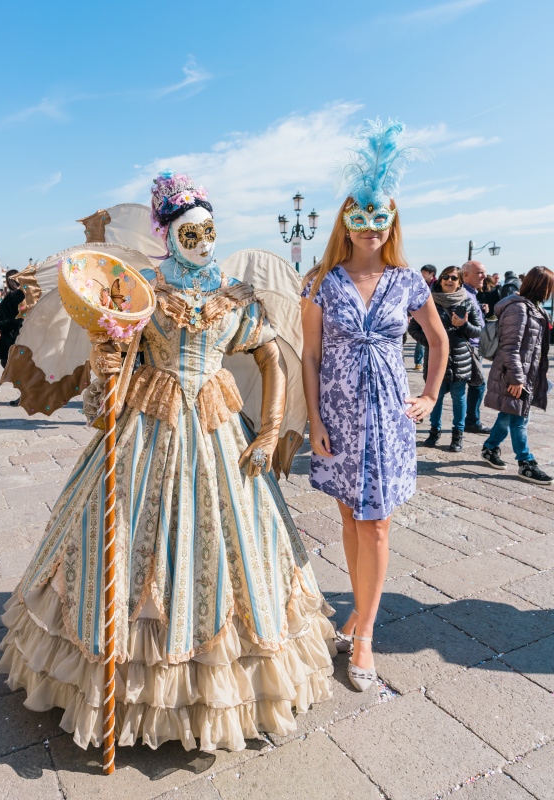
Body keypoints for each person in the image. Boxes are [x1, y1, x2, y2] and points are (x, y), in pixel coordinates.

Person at [0, 171, 336, 751]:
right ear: (170, 235)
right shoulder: (142, 291)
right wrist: (106, 354)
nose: (201, 242)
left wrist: (271, 427)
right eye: (189, 232)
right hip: (147, 424)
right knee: (130, 537)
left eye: (208, 230)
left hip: (219, 424)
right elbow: (111, 376)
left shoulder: (234, 294)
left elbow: (272, 355)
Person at [301, 119, 448, 692]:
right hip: (336, 418)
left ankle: (364, 636)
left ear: (391, 221)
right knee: (348, 516)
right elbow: (310, 357)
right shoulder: (320, 281)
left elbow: (439, 340)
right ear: (345, 221)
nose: (368, 227)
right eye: (357, 216)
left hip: (388, 419)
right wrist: (313, 419)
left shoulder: (409, 281)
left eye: (378, 216)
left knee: (378, 524)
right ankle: (358, 611)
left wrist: (431, 395)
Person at [481, 266, 554, 484]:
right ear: (541, 286)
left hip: (525, 374)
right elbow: (510, 348)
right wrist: (517, 379)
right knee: (520, 419)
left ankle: (489, 448)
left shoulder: (535, 308)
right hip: (514, 375)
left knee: (509, 414)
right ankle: (526, 463)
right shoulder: (519, 309)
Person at [409, 267, 483, 452]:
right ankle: (434, 432)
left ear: (459, 282)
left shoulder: (467, 301)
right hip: (435, 358)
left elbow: (479, 331)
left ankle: (457, 436)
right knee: (436, 396)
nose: (449, 280)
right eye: (445, 277)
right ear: (440, 280)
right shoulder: (429, 300)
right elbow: (413, 329)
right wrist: (433, 342)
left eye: (453, 278)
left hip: (460, 357)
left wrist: (463, 325)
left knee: (459, 398)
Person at [461, 261, 490, 434]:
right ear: (465, 275)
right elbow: (461, 323)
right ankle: (472, 421)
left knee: (454, 387)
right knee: (477, 384)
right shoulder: (465, 294)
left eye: (484, 272)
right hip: (469, 346)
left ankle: (471, 420)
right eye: (479, 272)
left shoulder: (471, 294)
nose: (484, 276)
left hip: (472, 346)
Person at [0, 271, 24, 405]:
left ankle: (26, 392)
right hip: (8, 334)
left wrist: (1, 324)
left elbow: (18, 318)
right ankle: (25, 392)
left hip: (12, 335)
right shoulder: (15, 294)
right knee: (7, 364)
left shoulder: (17, 295)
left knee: (11, 365)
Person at [412, 264, 437, 369]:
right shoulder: (419, 284)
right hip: (421, 315)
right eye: (421, 272)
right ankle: (418, 362)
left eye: (424, 273)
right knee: (420, 340)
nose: (422, 275)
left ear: (432, 274)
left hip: (435, 316)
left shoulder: (438, 285)